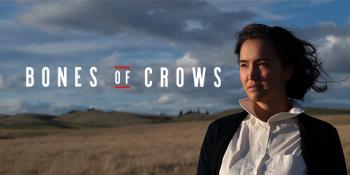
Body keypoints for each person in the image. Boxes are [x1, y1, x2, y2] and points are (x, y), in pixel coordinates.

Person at [196, 23, 347, 175]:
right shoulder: (218, 131)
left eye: (262, 64)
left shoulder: (321, 136)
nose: (251, 75)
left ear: (287, 71)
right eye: (244, 65)